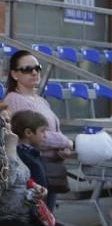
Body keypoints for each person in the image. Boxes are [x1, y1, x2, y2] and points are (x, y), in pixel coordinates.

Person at [5, 50, 75, 206]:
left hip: (50, 166)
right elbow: (32, 136)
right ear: (15, 74)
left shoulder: (41, 101)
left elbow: (52, 132)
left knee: (48, 218)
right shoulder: (14, 100)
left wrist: (62, 151)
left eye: (37, 68)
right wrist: (67, 142)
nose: (34, 72)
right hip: (32, 167)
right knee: (41, 218)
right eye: (27, 69)